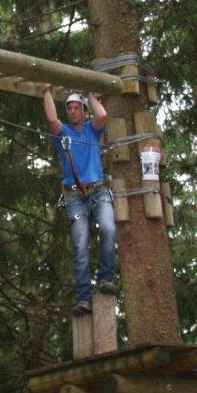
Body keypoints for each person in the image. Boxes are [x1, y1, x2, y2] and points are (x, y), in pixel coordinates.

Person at [43, 87, 114, 315]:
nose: (73, 111)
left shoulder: (92, 131)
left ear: (84, 111)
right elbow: (52, 119)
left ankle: (106, 278)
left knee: (108, 228)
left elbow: (102, 115)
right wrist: (46, 91)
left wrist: (91, 95)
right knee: (81, 244)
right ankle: (84, 298)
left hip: (98, 191)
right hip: (74, 197)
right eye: (70, 108)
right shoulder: (63, 133)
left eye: (77, 108)